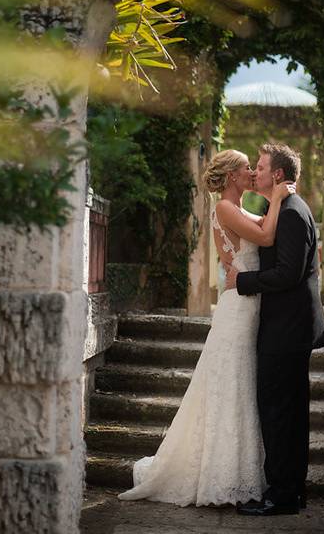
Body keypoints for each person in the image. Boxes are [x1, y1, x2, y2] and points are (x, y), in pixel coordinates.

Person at [117, 149, 294, 507]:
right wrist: (277, 197)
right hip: (237, 311)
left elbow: (262, 229)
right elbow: (266, 238)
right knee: (231, 380)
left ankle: (238, 469)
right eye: (247, 168)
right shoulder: (225, 209)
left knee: (239, 382)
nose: (251, 172)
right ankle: (221, 474)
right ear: (231, 176)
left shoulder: (241, 207)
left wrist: (272, 201)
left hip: (248, 305)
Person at [224, 143, 324, 517]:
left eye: (262, 167)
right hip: (287, 329)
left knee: (279, 413)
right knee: (290, 413)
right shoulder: (280, 209)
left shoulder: (291, 214)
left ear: (278, 175)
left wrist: (242, 280)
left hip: (287, 331)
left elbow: (288, 273)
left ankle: (281, 495)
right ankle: (291, 490)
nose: (256, 173)